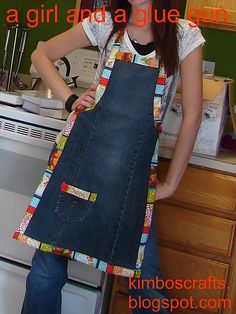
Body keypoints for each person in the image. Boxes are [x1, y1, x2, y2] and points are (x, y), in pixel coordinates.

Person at [17, 0, 205, 313]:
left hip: (130, 178)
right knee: (45, 274)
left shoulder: (184, 35)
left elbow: (194, 114)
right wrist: (71, 98)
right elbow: (42, 54)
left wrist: (172, 183)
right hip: (82, 165)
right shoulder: (105, 23)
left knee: (147, 288)